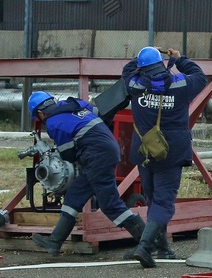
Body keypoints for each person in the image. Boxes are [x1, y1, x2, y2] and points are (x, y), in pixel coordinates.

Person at [28, 91, 146, 257]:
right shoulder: (75, 105)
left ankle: (147, 243)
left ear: (40, 113)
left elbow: (68, 154)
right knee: (75, 195)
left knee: (110, 204)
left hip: (96, 156)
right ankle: (54, 243)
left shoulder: (53, 122)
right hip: (106, 149)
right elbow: (101, 114)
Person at [120, 46, 207, 268]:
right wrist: (179, 59)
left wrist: (138, 58)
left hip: (145, 151)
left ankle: (162, 248)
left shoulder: (134, 85)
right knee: (163, 203)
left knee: (153, 198)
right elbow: (200, 75)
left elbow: (127, 71)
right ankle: (145, 247)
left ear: (141, 66)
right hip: (171, 152)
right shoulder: (181, 85)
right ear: (161, 63)